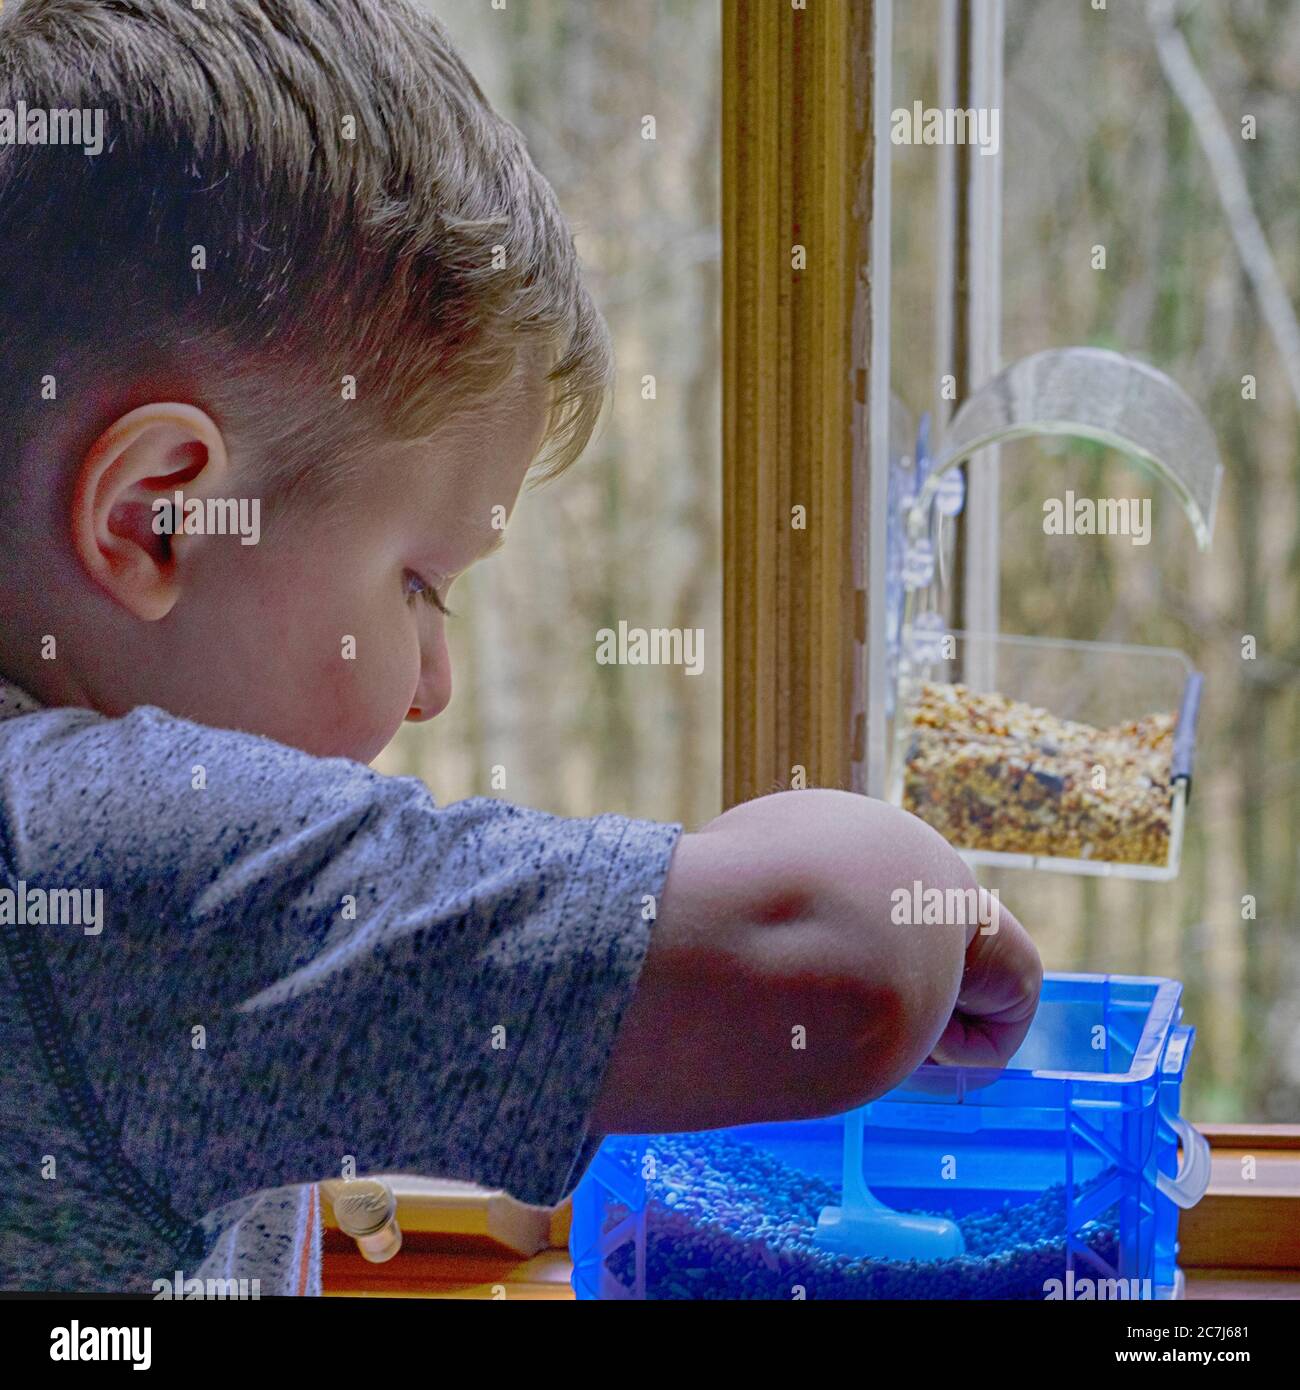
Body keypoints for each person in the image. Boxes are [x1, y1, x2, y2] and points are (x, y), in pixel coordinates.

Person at [0, 0, 1041, 1295]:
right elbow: (838, 954)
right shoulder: (100, 870)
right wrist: (936, 903)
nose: (434, 681)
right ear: (159, 515)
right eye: (422, 583)